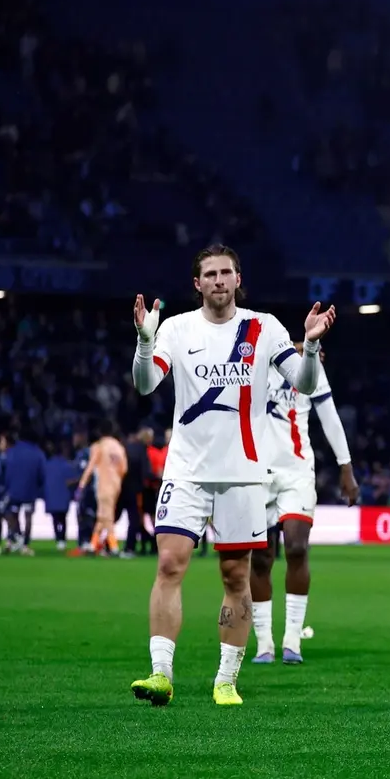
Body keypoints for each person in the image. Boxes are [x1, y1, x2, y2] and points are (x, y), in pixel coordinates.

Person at [129, 243, 335, 708]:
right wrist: (144, 341)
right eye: (210, 274)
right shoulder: (177, 329)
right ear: (197, 283)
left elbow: (303, 384)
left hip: (243, 475)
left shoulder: (265, 328)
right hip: (186, 470)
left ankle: (226, 680)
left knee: (235, 575)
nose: (219, 281)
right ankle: (161, 673)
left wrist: (314, 343)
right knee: (169, 564)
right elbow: (145, 384)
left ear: (238, 279)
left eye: (226, 273)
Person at [250, 343, 359, 665]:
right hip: (254, 471)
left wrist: (346, 466)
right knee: (261, 557)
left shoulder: (309, 369)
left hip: (296, 471)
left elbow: (330, 416)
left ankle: (292, 641)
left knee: (296, 547)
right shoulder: (252, 365)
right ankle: (264, 643)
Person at [78, 425, 128, 556]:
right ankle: (93, 545)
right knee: (102, 517)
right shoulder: (119, 447)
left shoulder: (100, 446)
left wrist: (82, 484)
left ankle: (114, 547)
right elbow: (124, 469)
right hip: (116, 485)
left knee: (107, 517)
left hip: (103, 485)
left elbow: (91, 465)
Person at [1, 429, 46, 555]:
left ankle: (13, 538)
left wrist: (7, 485)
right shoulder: (38, 453)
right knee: (28, 516)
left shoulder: (12, 451)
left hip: (13, 490)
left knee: (11, 513)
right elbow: (42, 474)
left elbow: (5, 469)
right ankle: (25, 544)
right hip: (30, 490)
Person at [121, 427, 154, 556]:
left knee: (113, 518)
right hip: (136, 491)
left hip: (121, 488)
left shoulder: (127, 447)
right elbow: (145, 472)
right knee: (134, 520)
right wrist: (159, 477)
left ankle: (105, 545)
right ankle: (130, 547)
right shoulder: (141, 450)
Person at [41, 440, 79, 551]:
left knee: (55, 519)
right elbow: (74, 479)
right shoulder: (67, 465)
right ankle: (62, 538)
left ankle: (59, 538)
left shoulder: (47, 465)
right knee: (63, 519)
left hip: (52, 497)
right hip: (63, 497)